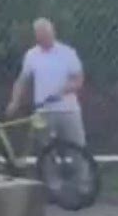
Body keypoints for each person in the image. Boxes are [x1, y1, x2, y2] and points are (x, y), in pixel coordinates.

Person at [7, 18, 85, 148]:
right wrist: (15, 101)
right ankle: (48, 168)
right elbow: (22, 80)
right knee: (45, 150)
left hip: (68, 110)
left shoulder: (67, 53)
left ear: (53, 32)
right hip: (43, 111)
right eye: (41, 35)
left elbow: (79, 80)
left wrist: (65, 89)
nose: (45, 38)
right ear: (37, 36)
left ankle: (81, 168)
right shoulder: (32, 55)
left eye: (47, 34)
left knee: (77, 147)